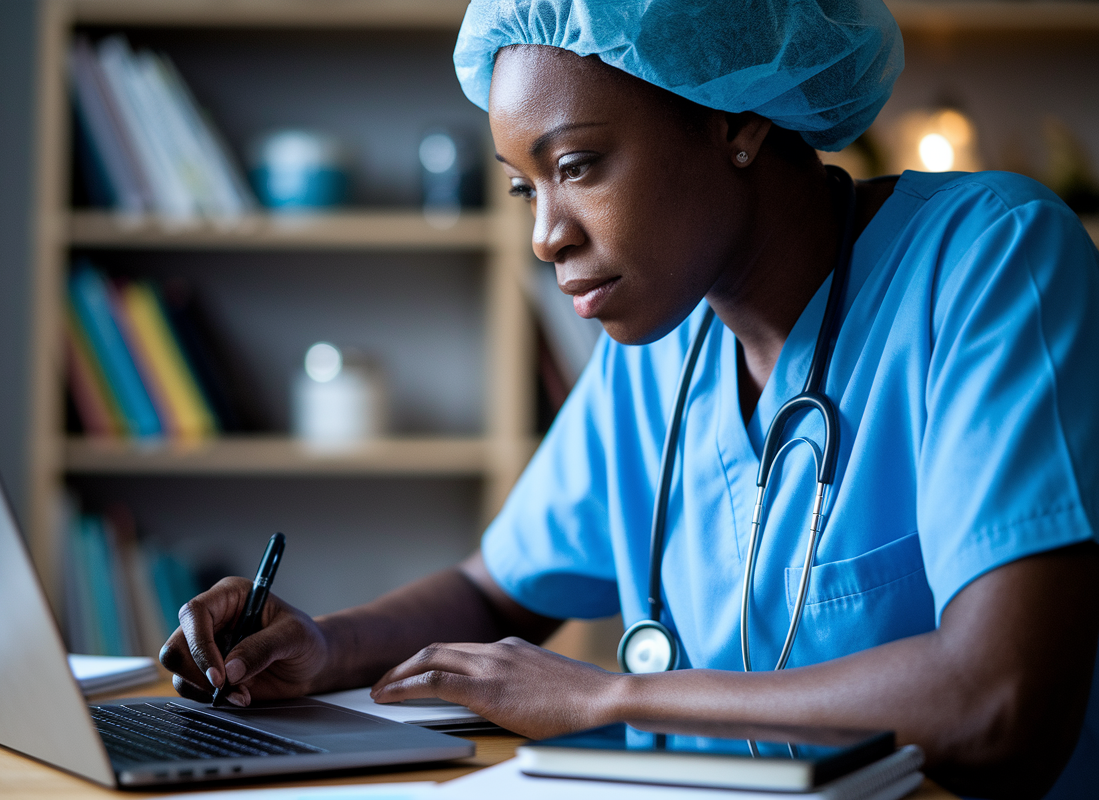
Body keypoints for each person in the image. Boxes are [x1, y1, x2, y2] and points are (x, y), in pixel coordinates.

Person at [160, 2, 1099, 797]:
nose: (544, 237)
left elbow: (1000, 701)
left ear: (735, 119)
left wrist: (610, 699)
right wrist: (324, 645)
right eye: (524, 187)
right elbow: (497, 590)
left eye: (575, 167)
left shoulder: (994, 260)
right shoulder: (660, 350)